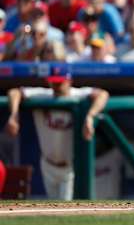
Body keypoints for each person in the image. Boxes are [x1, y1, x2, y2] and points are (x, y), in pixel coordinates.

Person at [4, 65, 109, 200]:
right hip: (47, 164)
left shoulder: (78, 94)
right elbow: (14, 92)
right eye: (54, 81)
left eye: (61, 82)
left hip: (70, 166)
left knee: (65, 207)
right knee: (54, 210)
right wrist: (14, 115)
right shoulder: (43, 95)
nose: (57, 85)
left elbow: (103, 94)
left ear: (69, 81)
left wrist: (90, 116)